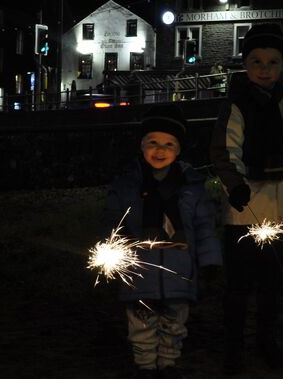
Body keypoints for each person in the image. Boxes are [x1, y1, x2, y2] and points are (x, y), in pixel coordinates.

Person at [209, 23, 283, 375]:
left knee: (273, 284)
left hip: (282, 209)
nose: (264, 69)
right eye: (256, 61)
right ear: (245, 65)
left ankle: (266, 341)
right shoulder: (235, 106)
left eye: (272, 62)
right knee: (238, 287)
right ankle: (234, 348)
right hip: (243, 212)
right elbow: (224, 152)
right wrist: (234, 187)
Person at [100, 104, 223, 379]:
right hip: (139, 270)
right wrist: (112, 253)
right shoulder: (127, 184)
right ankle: (145, 365)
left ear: (178, 150)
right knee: (141, 322)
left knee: (174, 322)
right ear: (142, 146)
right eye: (153, 142)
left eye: (169, 144)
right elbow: (112, 221)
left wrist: (210, 260)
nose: (160, 150)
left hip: (179, 269)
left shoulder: (191, 185)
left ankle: (168, 364)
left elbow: (204, 226)